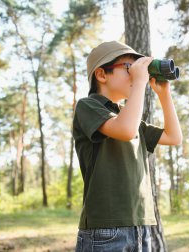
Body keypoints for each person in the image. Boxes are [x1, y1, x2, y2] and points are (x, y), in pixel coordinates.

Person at [73, 41, 182, 252]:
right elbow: (125, 130)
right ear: (102, 75)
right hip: (105, 228)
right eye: (129, 68)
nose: (135, 75)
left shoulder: (127, 117)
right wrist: (140, 83)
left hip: (140, 224)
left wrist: (164, 94)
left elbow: (173, 137)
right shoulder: (88, 106)